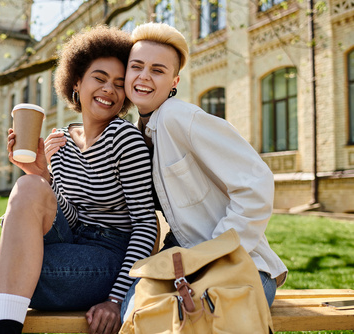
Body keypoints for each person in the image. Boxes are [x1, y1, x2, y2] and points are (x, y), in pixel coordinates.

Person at [0, 25, 157, 334]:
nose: (109, 90)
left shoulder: (124, 138)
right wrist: (40, 173)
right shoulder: (60, 142)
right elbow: (70, 219)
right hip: (69, 245)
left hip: (108, 259)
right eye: (99, 78)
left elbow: (145, 224)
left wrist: (117, 299)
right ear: (76, 82)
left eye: (118, 83)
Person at [120, 22, 288, 321]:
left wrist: (215, 252)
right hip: (184, 261)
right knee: (134, 313)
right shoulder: (142, 132)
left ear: (174, 82)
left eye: (157, 70)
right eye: (137, 67)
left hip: (238, 267)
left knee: (174, 320)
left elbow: (256, 182)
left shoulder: (178, 117)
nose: (144, 76)